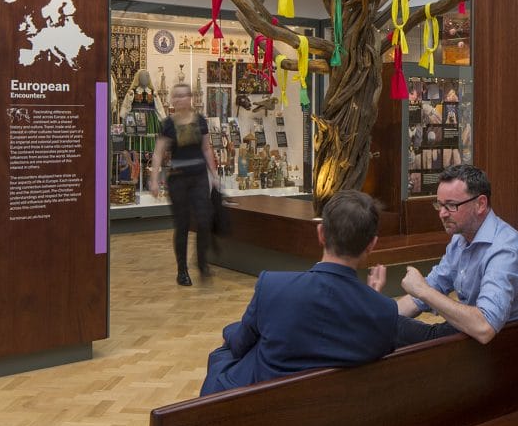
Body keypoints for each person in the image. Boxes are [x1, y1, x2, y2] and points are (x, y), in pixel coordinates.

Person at [200, 190, 397, 395]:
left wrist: (229, 330)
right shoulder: (384, 312)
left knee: (223, 353)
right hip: (332, 412)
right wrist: (373, 297)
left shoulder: (273, 286)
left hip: (265, 407)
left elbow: (240, 345)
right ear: (372, 245)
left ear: (320, 233)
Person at [369, 164, 518, 346]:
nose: (442, 214)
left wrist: (424, 291)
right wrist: (376, 318)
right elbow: (428, 290)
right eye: (439, 205)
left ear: (480, 204)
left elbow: (485, 327)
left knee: (391, 331)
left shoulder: (505, 250)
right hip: (469, 336)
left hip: (506, 347)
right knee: (384, 326)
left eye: (451, 205)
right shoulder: (460, 239)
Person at [151, 82, 218, 286]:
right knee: (181, 225)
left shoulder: (200, 121)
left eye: (184, 95)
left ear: (190, 98)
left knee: (204, 220)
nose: (180, 99)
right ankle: (182, 270)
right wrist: (154, 178)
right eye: (177, 96)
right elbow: (158, 152)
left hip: (198, 177)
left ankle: (202, 262)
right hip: (178, 178)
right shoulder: (168, 124)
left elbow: (206, 148)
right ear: (172, 100)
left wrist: (214, 173)